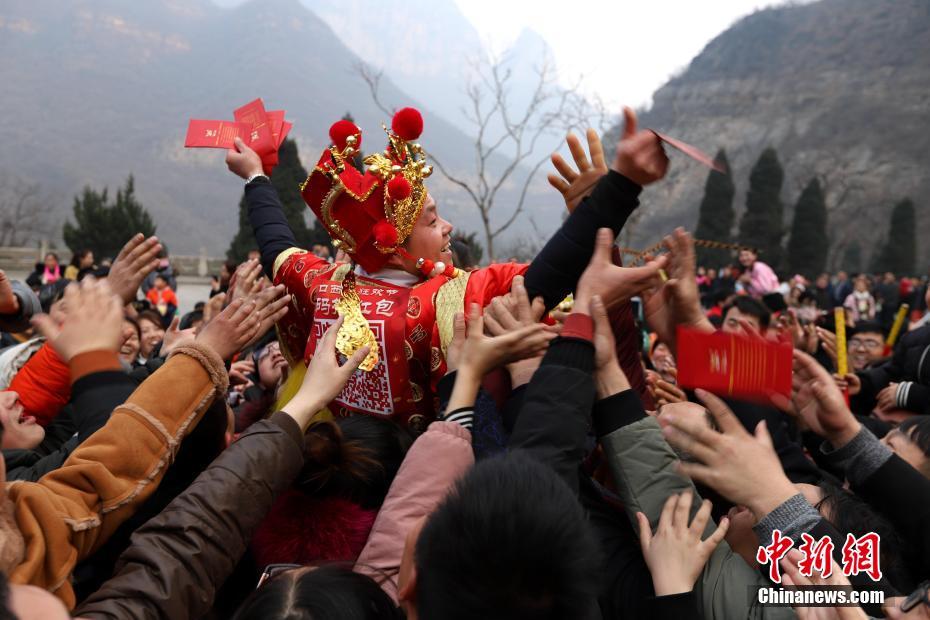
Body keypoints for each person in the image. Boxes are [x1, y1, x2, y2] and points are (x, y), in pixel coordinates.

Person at [224, 106, 670, 427]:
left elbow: (275, 245)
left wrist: (255, 177)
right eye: (433, 219)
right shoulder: (449, 304)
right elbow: (547, 277)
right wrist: (612, 196)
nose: (449, 226)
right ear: (395, 248)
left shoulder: (320, 285)